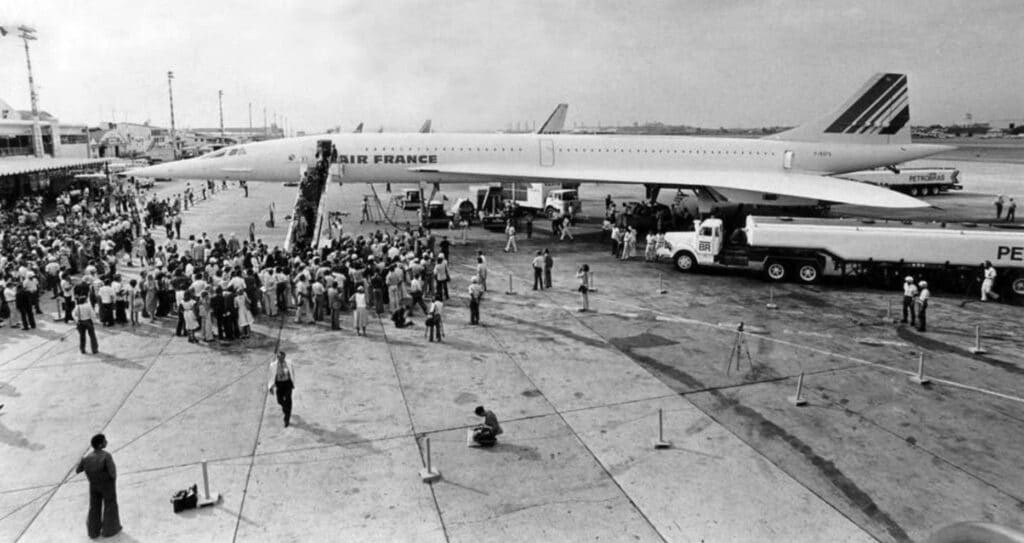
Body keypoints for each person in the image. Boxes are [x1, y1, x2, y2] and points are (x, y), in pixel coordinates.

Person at [75, 434, 121, 538]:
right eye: (105, 441)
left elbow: (78, 470)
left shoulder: (87, 458)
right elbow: (112, 473)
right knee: (110, 506)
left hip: (93, 486)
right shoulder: (106, 456)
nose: (106, 442)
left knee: (94, 507)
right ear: (100, 445)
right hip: (107, 486)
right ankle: (110, 530)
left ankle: (93, 532)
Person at [268, 351, 295, 427]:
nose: (280, 358)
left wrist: (293, 383)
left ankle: (287, 419)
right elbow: (271, 376)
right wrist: (270, 387)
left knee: (288, 400)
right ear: (277, 357)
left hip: (287, 384)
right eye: (279, 357)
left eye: (282, 357)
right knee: (279, 400)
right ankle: (286, 409)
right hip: (279, 384)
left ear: (284, 357)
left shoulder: (289, 363)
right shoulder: (273, 365)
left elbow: (292, 373)